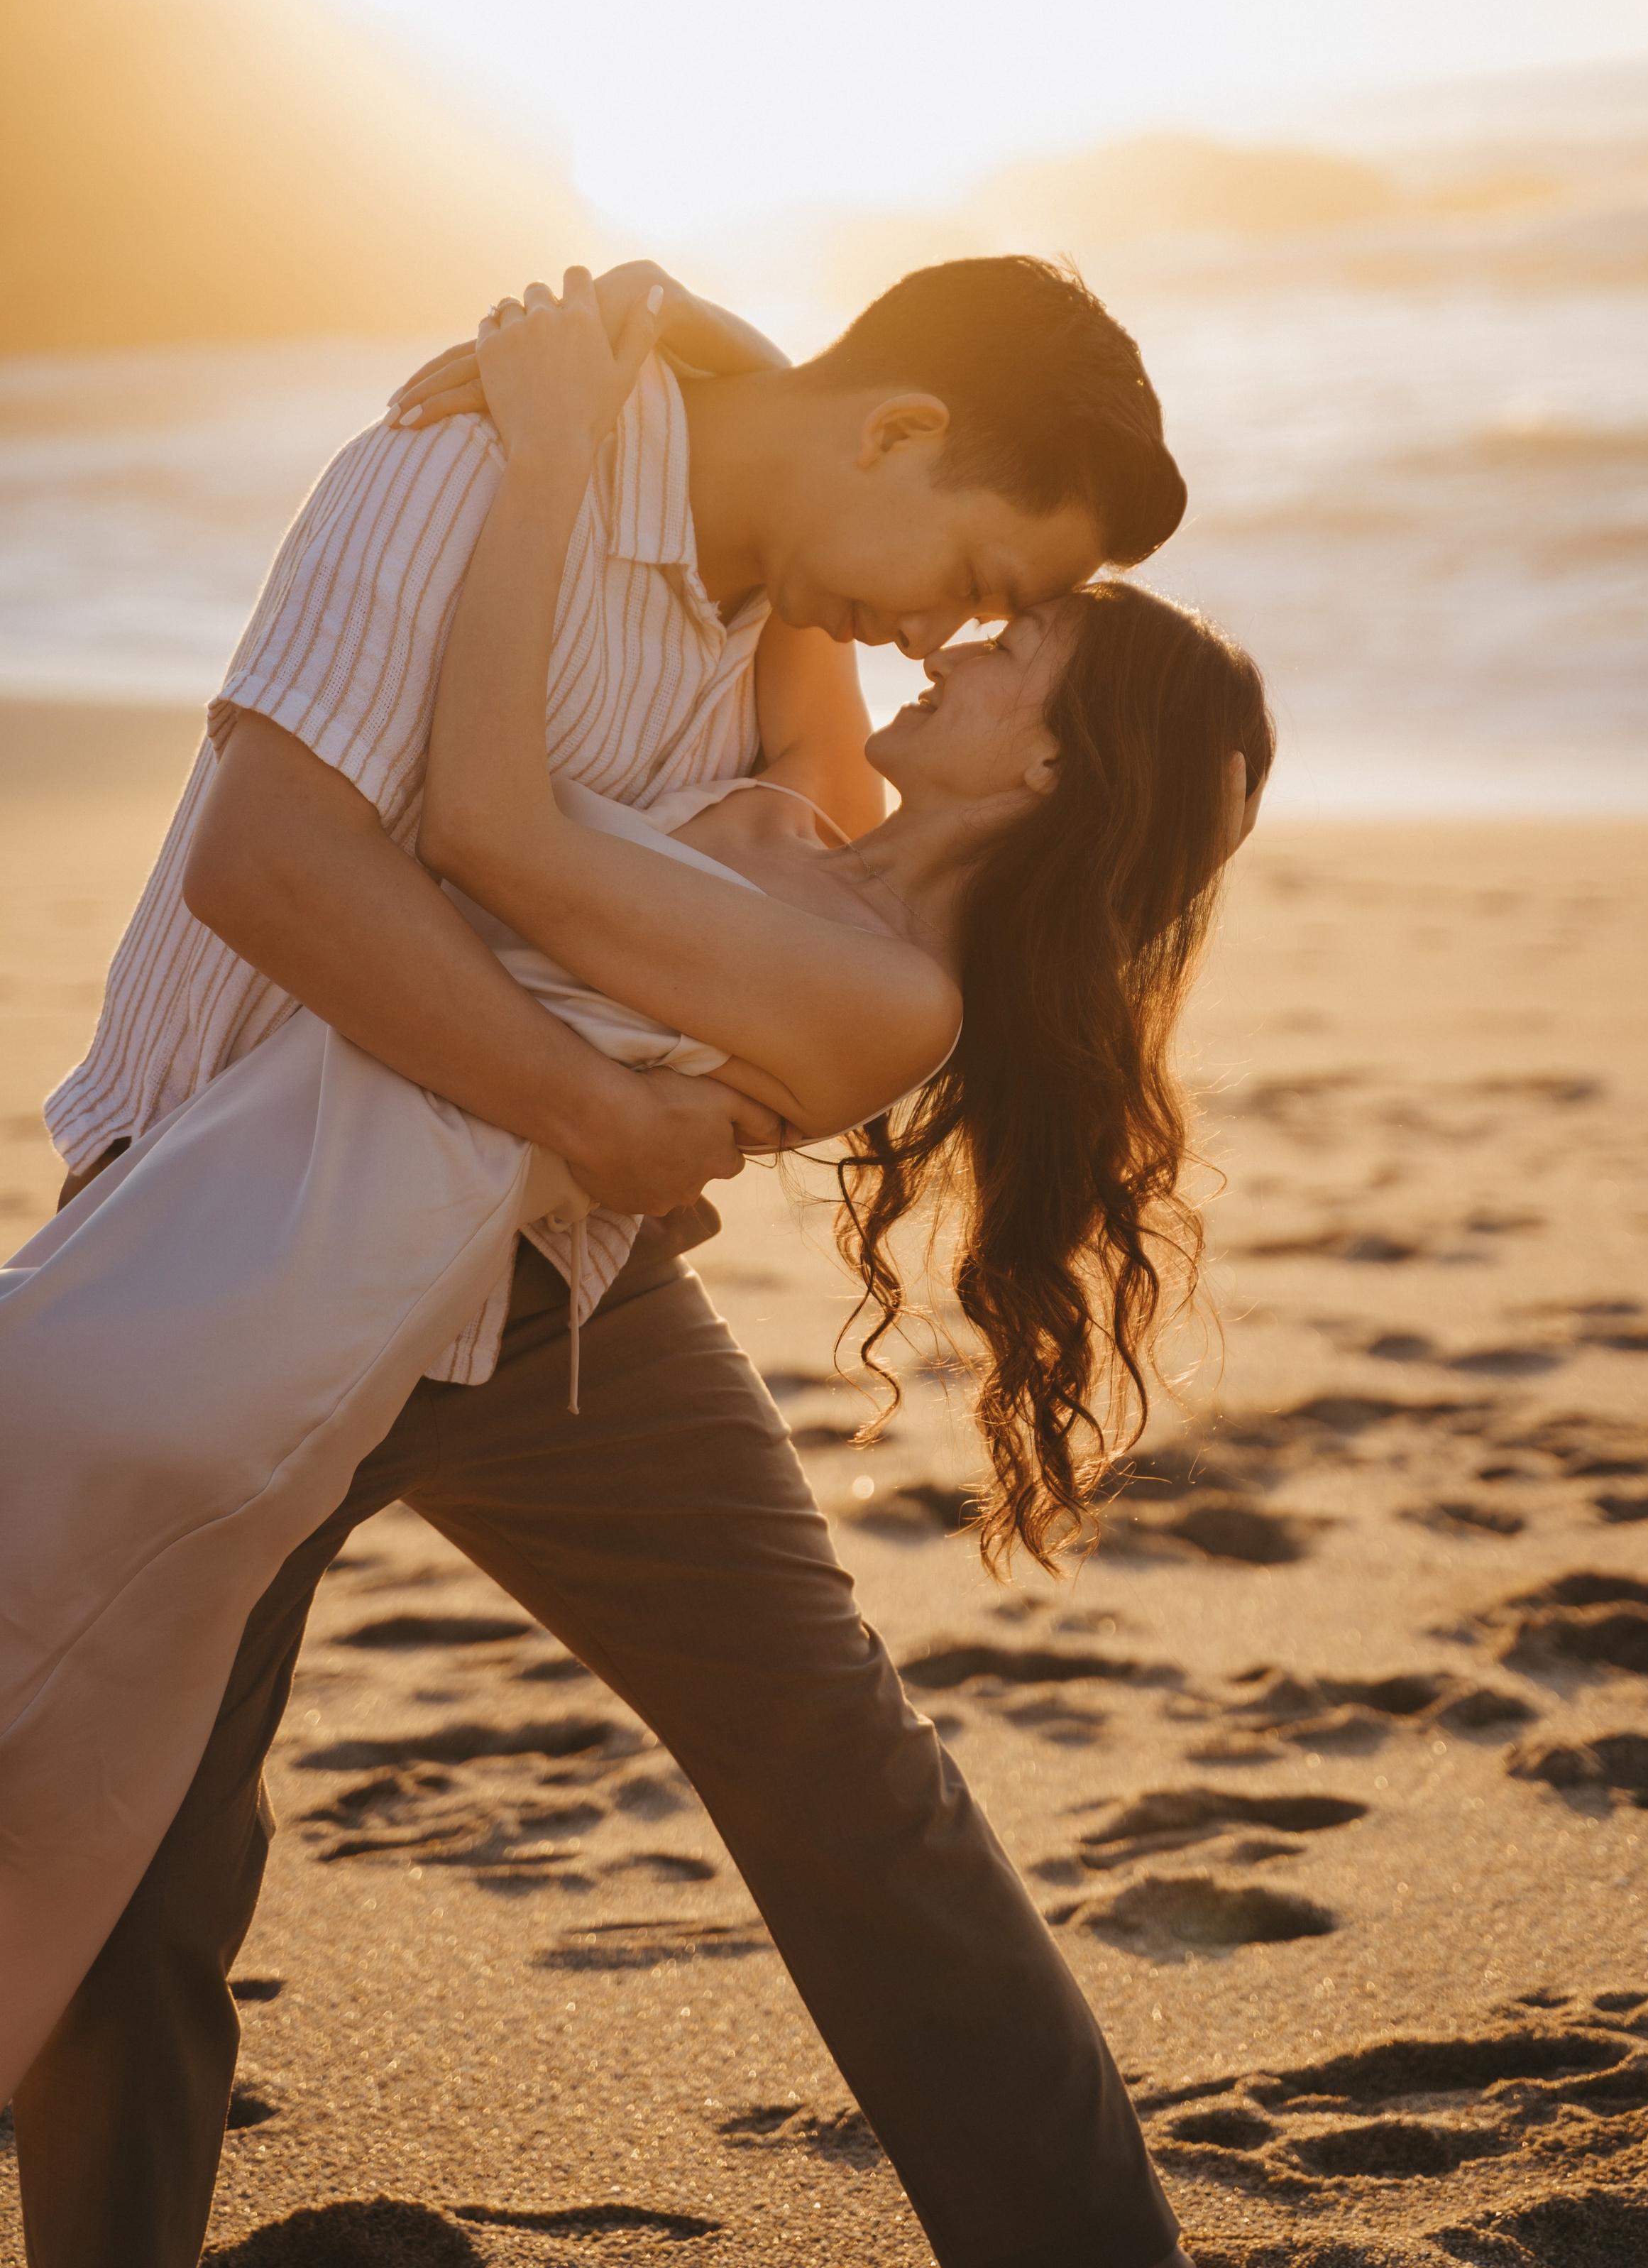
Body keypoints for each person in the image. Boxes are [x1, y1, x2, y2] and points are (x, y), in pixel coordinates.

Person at [6, 256, 1253, 2268]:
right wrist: (597, 1109)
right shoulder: (473, 468)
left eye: (998, 625)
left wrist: (596, 1133)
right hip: (248, 1256)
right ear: (899, 434)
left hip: (562, 1296)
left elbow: (725, 818)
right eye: (973, 577)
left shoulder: (797, 612)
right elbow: (269, 862)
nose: (941, 634)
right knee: (140, 1862)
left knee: (839, 1767)